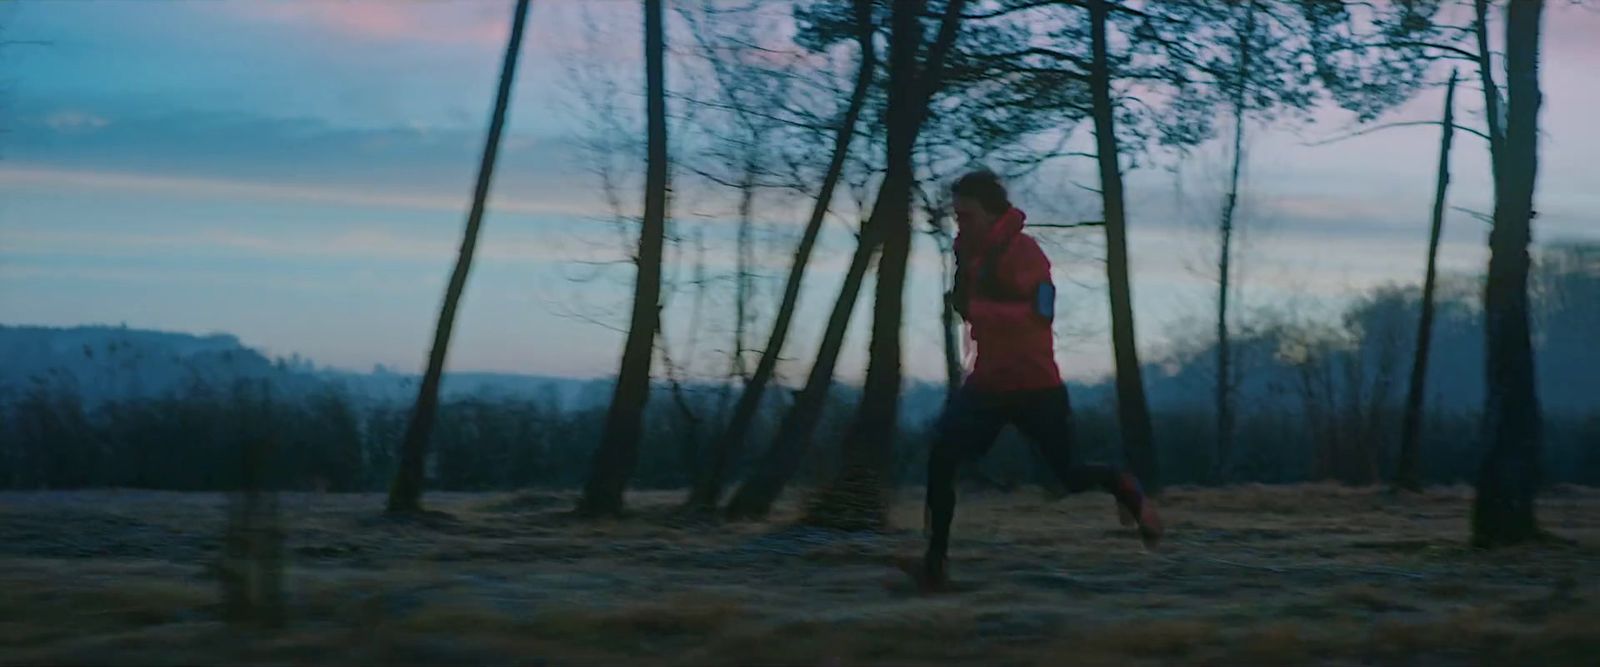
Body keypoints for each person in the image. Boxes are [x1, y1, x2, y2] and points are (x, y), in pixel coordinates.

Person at [912, 170, 1162, 591]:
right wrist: (964, 302)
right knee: (941, 459)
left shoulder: (1027, 253)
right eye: (957, 216)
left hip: (1035, 385)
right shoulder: (968, 255)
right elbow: (971, 309)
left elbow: (1041, 311)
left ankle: (1124, 487)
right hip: (988, 383)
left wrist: (980, 308)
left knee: (1067, 475)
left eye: (967, 215)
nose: (961, 224)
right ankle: (934, 567)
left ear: (992, 213)